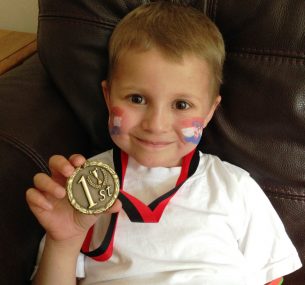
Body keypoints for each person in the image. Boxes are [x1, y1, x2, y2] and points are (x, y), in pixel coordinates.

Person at [26, 2, 302, 285]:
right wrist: (64, 242)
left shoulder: (234, 187)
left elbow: (271, 280)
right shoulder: (81, 189)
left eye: (181, 104)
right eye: (137, 99)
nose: (155, 124)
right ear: (108, 98)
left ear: (208, 112)